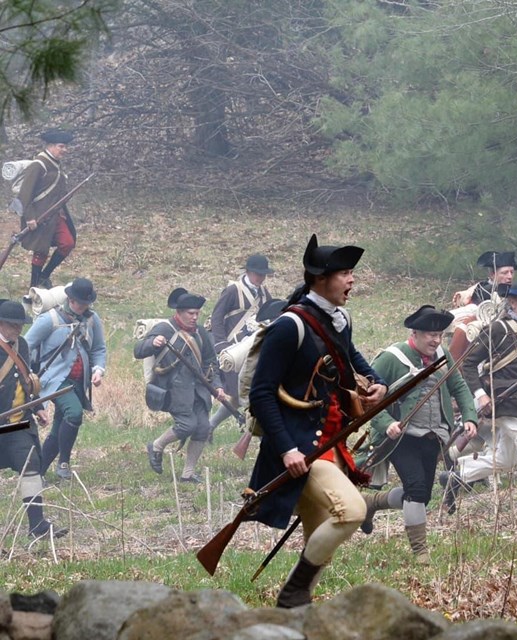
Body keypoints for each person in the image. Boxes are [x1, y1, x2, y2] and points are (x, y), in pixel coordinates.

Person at [247, 234, 387, 608]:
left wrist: (377, 382)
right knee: (352, 511)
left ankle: (299, 606)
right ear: (319, 279)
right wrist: (287, 449)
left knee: (323, 524)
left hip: (329, 440)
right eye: (344, 273)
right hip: (298, 448)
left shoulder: (339, 320)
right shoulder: (289, 327)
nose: (351, 280)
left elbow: (350, 356)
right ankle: (293, 594)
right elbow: (260, 395)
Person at [441, 280, 517, 530]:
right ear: (512, 302)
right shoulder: (496, 329)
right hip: (498, 401)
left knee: (507, 461)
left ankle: (457, 476)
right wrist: (479, 395)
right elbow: (468, 364)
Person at [358, 305, 478, 563]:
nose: (436, 340)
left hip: (434, 436)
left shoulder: (443, 355)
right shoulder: (391, 358)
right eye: (430, 335)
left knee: (422, 495)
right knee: (415, 487)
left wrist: (469, 416)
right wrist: (386, 423)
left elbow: (459, 387)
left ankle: (372, 503)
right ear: (414, 333)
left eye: (440, 335)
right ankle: (420, 552)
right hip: (401, 437)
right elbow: (366, 400)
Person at [135, 287, 225, 483]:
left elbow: (211, 361)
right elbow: (139, 350)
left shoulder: (200, 332)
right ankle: (157, 446)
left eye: (197, 314)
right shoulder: (164, 328)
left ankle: (188, 474)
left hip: (199, 390)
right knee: (187, 424)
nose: (194, 317)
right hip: (174, 389)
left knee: (202, 428)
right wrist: (153, 342)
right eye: (190, 314)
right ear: (179, 313)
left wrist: (217, 386)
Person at [25, 278, 106, 480]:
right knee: (74, 413)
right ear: (70, 299)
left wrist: (98, 369)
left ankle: (37, 472)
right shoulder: (49, 320)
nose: (84, 306)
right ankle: (64, 462)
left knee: (60, 425)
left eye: (87, 303)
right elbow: (25, 347)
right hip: (55, 379)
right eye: (81, 302)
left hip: (79, 380)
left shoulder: (92, 319)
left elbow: (98, 349)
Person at [0, 300, 67, 538]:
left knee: (31, 468)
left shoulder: (23, 346)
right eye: (12, 325)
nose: (17, 329)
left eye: (20, 325)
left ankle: (37, 525)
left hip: (19, 425)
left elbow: (27, 380)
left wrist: (38, 406)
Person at [208, 254, 274, 433]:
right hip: (232, 349)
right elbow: (217, 317)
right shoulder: (232, 290)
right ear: (248, 272)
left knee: (239, 395)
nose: (260, 278)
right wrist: (221, 345)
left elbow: (270, 312)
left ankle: (211, 425)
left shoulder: (263, 292)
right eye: (257, 274)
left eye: (263, 274)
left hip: (252, 348)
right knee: (240, 393)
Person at [16, 129, 77, 292]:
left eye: (65, 147)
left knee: (68, 243)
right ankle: (33, 286)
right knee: (41, 250)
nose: (64, 150)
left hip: (55, 215)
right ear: (50, 146)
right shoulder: (38, 165)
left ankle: (44, 276)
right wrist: (29, 218)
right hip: (38, 217)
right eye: (61, 146)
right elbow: (24, 195)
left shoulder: (56, 164)